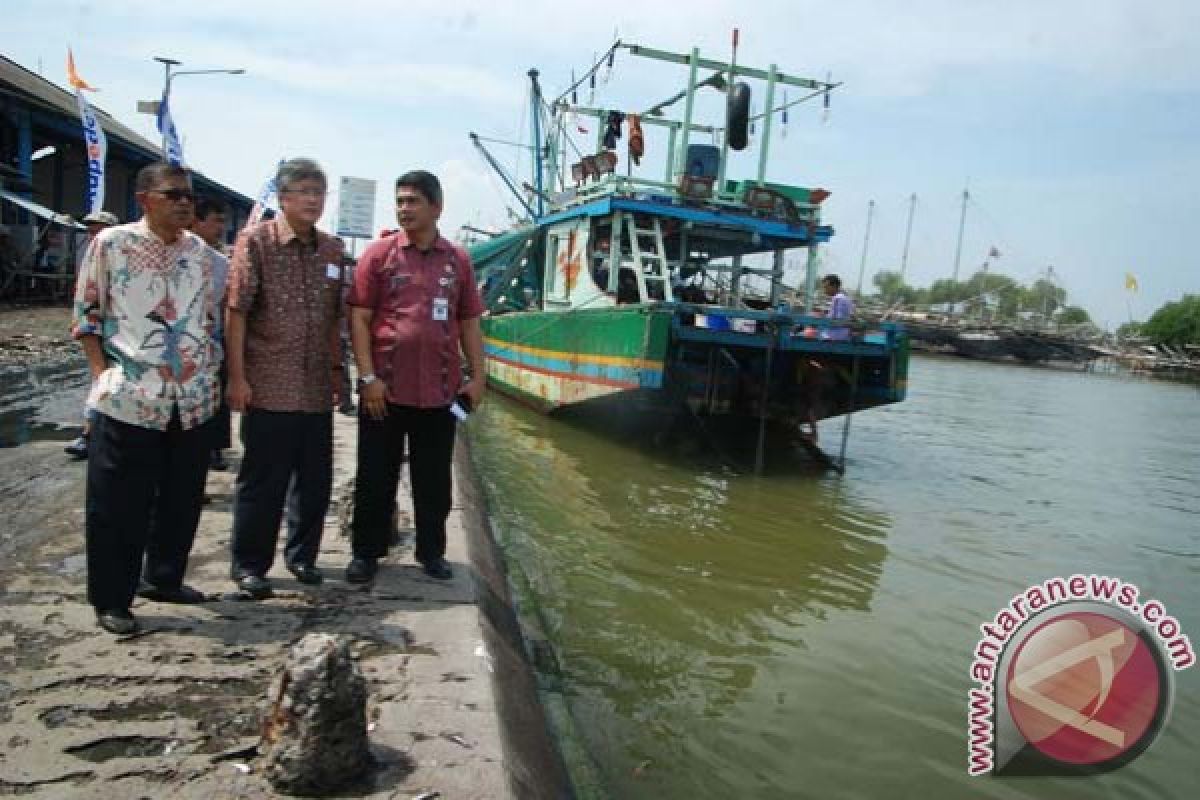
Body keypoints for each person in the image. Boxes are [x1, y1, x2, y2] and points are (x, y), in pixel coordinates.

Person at [72, 163, 219, 634]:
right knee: (119, 505)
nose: (184, 203)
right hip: (131, 397)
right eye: (173, 194)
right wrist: (103, 378)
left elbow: (206, 318)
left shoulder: (200, 253)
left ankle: (164, 578)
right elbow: (87, 315)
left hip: (190, 399)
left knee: (181, 497)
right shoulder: (111, 244)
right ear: (145, 199)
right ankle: (113, 599)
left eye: (188, 197)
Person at [345, 170, 485, 583]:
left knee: (434, 482)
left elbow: (469, 322)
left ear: (436, 207)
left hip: (440, 393)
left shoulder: (457, 260)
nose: (404, 208)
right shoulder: (379, 255)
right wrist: (368, 377)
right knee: (375, 478)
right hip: (383, 391)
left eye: (413, 201)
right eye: (400, 201)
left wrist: (478, 377)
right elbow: (360, 318)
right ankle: (366, 553)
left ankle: (432, 553)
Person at [226, 158, 345, 597]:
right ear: (283, 197)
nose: (313, 200)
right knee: (263, 482)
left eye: (319, 192)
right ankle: (250, 566)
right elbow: (236, 311)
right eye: (305, 191)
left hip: (314, 388)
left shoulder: (332, 250)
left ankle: (303, 557)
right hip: (268, 384)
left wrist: (338, 374)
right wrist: (237, 378)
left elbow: (335, 319)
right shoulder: (255, 242)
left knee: (314, 481)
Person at [64, 212, 120, 460]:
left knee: (106, 384)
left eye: (99, 228)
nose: (94, 233)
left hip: (118, 335)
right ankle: (89, 434)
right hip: (94, 330)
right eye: (91, 229)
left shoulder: (120, 254)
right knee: (101, 381)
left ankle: (91, 435)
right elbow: (85, 299)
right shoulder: (91, 253)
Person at [190, 196, 232, 470]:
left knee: (215, 401)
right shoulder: (175, 256)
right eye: (216, 221)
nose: (221, 228)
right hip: (177, 347)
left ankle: (213, 448)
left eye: (223, 222)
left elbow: (225, 305)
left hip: (211, 343)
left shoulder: (221, 264)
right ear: (197, 222)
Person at [821, 273, 855, 341]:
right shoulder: (845, 297)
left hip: (836, 335)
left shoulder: (838, 298)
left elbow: (839, 320)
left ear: (834, 286)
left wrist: (823, 319)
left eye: (826, 287)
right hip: (842, 333)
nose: (825, 290)